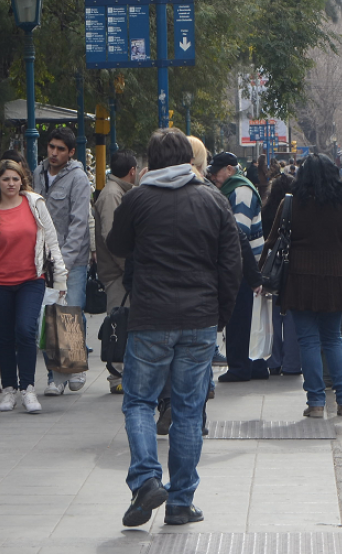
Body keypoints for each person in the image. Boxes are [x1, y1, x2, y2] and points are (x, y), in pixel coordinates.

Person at [107, 127, 242, 528]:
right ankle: (181, 502)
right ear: (188, 159)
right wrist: (221, 316)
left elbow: (116, 244)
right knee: (188, 410)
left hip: (150, 319)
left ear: (150, 161)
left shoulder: (138, 199)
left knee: (139, 402)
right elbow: (230, 264)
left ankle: (147, 479)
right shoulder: (213, 199)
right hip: (199, 320)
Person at [262, 154, 342, 417]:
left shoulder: (290, 204)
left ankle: (316, 403)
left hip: (299, 281)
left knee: (307, 341)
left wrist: (260, 275)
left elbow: (273, 242)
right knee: (333, 340)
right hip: (334, 282)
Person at [0, 159, 67, 414]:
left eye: (15, 179)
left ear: (22, 180)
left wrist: (60, 279)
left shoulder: (35, 204)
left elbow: (51, 240)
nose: (11, 184)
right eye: (6, 179)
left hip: (31, 280)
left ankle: (28, 388)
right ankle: (9, 389)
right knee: (4, 336)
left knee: (25, 330)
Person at [32, 128, 92, 396]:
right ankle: (55, 376)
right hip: (42, 259)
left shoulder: (78, 178)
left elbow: (79, 223)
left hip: (72, 260)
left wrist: (63, 262)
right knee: (47, 318)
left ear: (70, 153)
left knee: (70, 314)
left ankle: (73, 368)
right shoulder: (38, 173)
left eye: (60, 149)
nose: (54, 153)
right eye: (51, 147)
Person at [208, 151, 267, 383]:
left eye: (217, 172)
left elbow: (237, 233)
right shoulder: (235, 189)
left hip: (242, 265)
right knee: (247, 319)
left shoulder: (240, 192)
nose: (214, 177)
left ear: (230, 170)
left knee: (239, 318)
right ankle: (255, 366)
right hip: (245, 263)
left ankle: (241, 367)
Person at [261, 171, 301, 376]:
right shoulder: (296, 207)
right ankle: (292, 363)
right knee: (292, 316)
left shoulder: (266, 210)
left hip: (274, 266)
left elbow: (267, 241)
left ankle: (274, 360)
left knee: (275, 315)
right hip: (293, 268)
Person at [95, 149, 138, 315]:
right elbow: (112, 237)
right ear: (132, 171)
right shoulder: (112, 195)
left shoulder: (117, 191)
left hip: (120, 272)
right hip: (116, 274)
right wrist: (129, 268)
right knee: (119, 326)